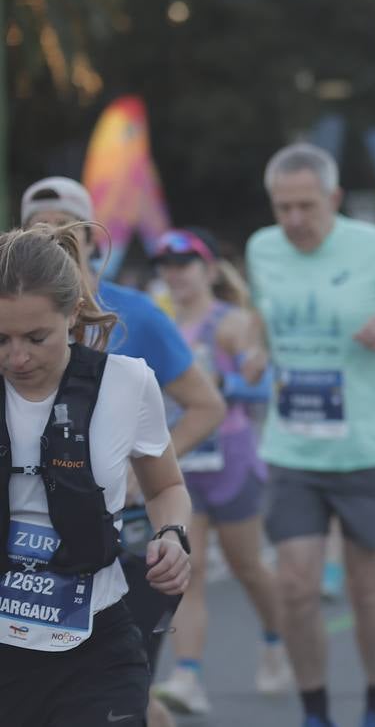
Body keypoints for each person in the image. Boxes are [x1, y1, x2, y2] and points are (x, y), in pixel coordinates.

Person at [247, 143, 375, 727]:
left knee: (367, 589)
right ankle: (315, 711)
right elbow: (267, 318)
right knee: (295, 587)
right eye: (282, 207)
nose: (293, 221)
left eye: (306, 206)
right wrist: (258, 350)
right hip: (292, 447)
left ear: (333, 198)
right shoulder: (263, 249)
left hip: (362, 448)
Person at [21, 176, 225, 727]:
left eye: (62, 225)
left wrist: (146, 479)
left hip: (124, 546)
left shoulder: (137, 319)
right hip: (21, 597)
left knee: (126, 687)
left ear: (88, 235)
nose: (50, 236)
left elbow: (207, 407)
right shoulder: (11, 323)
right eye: (37, 226)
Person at [0, 223, 192, 727]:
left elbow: (167, 487)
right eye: (0, 338)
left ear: (73, 315)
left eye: (35, 337)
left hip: (95, 645)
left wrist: (172, 534)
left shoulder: (128, 383)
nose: (17, 357)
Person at [147, 228, 292, 714]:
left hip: (230, 458)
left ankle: (276, 638)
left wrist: (225, 381)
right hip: (181, 462)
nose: (175, 274)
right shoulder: (156, 321)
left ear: (208, 270)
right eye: (166, 265)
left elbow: (264, 388)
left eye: (184, 263)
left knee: (249, 567)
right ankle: (188, 676)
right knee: (192, 569)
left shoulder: (232, 323)